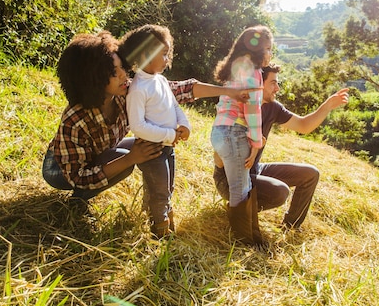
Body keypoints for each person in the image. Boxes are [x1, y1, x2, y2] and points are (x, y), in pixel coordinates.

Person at [42, 30, 256, 235]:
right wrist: (131, 159)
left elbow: (181, 90)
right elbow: (78, 175)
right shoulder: (75, 119)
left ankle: (154, 205)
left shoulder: (125, 92)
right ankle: (78, 201)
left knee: (148, 147)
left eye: (122, 68)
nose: (124, 75)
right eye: (114, 73)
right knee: (125, 162)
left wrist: (229, 92)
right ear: (93, 80)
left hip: (102, 151)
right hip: (62, 170)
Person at [213, 63, 349, 231]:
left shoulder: (273, 107)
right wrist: (249, 143)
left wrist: (328, 105)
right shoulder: (236, 107)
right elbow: (218, 156)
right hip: (229, 179)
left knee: (310, 174)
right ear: (258, 83)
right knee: (279, 192)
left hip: (255, 170)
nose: (277, 88)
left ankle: (291, 227)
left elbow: (303, 125)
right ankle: (238, 212)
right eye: (273, 83)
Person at [118, 25, 190, 238]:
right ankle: (161, 233)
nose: (167, 59)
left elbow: (174, 106)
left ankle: (163, 223)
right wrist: (169, 135)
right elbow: (138, 126)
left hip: (168, 147)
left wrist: (184, 124)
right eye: (164, 54)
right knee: (160, 192)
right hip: (152, 150)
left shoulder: (161, 81)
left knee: (167, 188)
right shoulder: (139, 89)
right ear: (146, 55)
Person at [210, 25, 273, 247]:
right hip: (235, 132)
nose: (269, 54)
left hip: (220, 131)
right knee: (240, 188)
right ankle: (242, 242)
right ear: (257, 49)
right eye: (267, 48)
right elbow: (253, 110)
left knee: (241, 184)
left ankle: (251, 237)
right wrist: (256, 144)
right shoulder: (253, 72)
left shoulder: (236, 68)